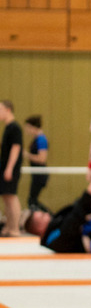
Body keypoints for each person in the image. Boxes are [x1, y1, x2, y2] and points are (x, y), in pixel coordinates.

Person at [0, 100, 23, 236]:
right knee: (6, 197)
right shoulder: (8, 127)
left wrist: (9, 168)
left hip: (10, 168)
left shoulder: (15, 127)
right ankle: (9, 226)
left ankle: (15, 228)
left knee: (11, 196)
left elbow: (16, 148)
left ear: (8, 110)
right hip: (4, 167)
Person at [23, 115, 49, 213]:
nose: (27, 131)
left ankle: (49, 217)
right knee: (33, 200)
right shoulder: (37, 139)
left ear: (33, 127)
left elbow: (42, 159)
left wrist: (26, 155)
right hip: (36, 174)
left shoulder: (41, 139)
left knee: (32, 201)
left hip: (40, 174)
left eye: (28, 128)